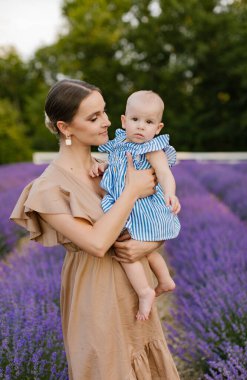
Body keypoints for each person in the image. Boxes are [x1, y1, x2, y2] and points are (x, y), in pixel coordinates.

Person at [10, 79, 180, 380]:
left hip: (135, 293)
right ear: (66, 128)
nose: (107, 121)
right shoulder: (48, 189)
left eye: (104, 112)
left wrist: (148, 246)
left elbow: (151, 219)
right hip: (96, 298)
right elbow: (98, 244)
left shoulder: (110, 164)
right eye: (94, 117)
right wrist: (131, 191)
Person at [89, 90, 181, 321]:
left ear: (158, 128)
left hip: (141, 206)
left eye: (148, 122)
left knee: (125, 246)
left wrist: (170, 193)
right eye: (135, 120)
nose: (141, 127)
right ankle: (165, 280)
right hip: (124, 203)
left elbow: (164, 173)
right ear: (124, 121)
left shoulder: (151, 148)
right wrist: (103, 167)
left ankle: (144, 291)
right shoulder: (119, 143)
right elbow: (115, 165)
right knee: (143, 248)